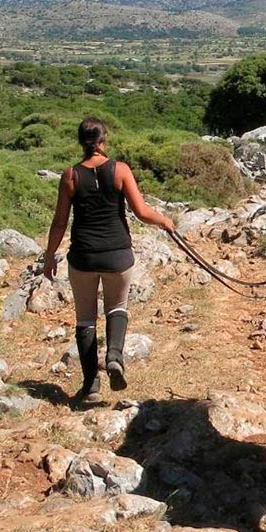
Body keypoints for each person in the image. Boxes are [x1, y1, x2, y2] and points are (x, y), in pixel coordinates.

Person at [43, 117, 175, 404]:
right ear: (103, 141)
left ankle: (91, 385)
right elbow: (141, 212)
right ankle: (114, 356)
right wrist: (164, 221)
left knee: (85, 319)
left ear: (81, 142)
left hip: (84, 256)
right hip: (117, 254)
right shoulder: (121, 170)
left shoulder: (70, 175)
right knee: (117, 307)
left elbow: (59, 222)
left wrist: (49, 256)